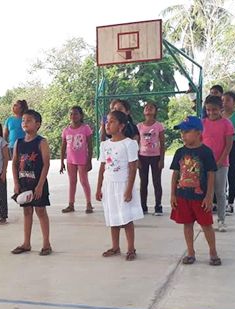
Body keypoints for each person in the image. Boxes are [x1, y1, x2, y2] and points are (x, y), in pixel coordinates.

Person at [169, 116, 221, 266]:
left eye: (186, 131)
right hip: (183, 195)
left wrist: (209, 196)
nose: (183, 135)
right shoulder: (179, 152)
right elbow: (175, 174)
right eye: (182, 132)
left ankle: (213, 252)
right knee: (187, 224)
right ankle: (190, 252)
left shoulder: (206, 152)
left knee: (206, 225)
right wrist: (173, 194)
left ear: (198, 132)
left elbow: (211, 174)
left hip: (200, 197)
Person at [96, 110, 144, 261]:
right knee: (112, 216)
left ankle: (131, 248)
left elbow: (132, 168)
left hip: (123, 184)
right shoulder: (104, 144)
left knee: (126, 218)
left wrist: (129, 189)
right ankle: (115, 246)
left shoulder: (129, 144)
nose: (107, 125)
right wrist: (99, 187)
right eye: (107, 122)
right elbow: (102, 167)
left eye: (111, 122)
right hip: (109, 185)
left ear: (121, 126)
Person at [11, 110, 52, 256]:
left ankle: (46, 243)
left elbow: (46, 164)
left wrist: (40, 185)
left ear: (37, 124)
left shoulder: (41, 142)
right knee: (27, 211)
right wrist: (16, 183)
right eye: (23, 120)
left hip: (37, 182)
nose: (24, 123)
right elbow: (15, 163)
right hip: (24, 183)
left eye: (28, 120)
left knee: (40, 211)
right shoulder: (18, 142)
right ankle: (26, 243)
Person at [202, 95, 234, 232]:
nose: (211, 113)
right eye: (208, 110)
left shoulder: (227, 124)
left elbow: (228, 145)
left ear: (220, 109)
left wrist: (220, 161)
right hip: (205, 163)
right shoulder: (202, 123)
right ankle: (205, 219)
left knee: (220, 192)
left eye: (214, 110)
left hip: (221, 163)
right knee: (206, 192)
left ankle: (221, 220)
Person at [59, 106, 93, 214]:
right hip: (70, 161)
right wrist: (61, 162)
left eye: (76, 114)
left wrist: (89, 160)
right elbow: (63, 146)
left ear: (81, 115)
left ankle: (88, 204)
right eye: (71, 114)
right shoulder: (66, 130)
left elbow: (90, 145)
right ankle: (71, 204)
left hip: (82, 160)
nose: (73, 116)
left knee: (84, 181)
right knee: (72, 182)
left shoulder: (85, 128)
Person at [137, 101, 166, 215]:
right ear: (144, 111)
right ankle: (143, 206)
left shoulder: (159, 126)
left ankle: (158, 206)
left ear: (155, 111)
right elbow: (136, 143)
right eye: (146, 107)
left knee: (157, 182)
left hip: (156, 157)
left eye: (151, 107)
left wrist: (162, 159)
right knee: (143, 182)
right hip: (142, 157)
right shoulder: (139, 126)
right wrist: (137, 159)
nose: (148, 109)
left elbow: (162, 143)